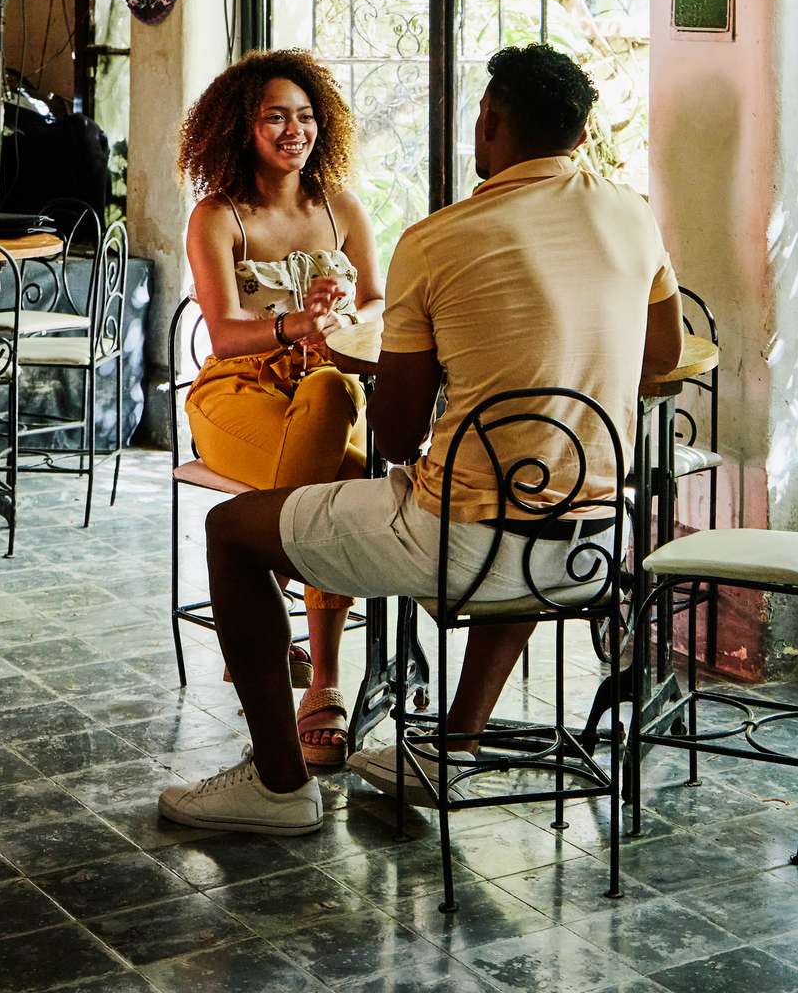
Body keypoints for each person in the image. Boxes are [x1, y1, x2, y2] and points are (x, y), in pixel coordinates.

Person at [158, 43, 682, 836]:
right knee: (528, 488)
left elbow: (398, 436)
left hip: (459, 545)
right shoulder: (634, 214)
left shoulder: (438, 239)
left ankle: (277, 786)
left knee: (231, 531)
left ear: (490, 122)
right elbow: (665, 359)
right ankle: (452, 745)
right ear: (580, 135)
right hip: (591, 545)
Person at [177, 49, 384, 769]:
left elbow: (378, 305)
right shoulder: (218, 215)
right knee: (346, 484)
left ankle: (268, 601)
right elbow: (225, 331)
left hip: (320, 390)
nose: (294, 130)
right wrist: (296, 322)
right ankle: (318, 678)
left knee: (336, 397)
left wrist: (342, 316)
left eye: (305, 116)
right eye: (275, 117)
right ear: (243, 127)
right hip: (237, 391)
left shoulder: (341, 207)